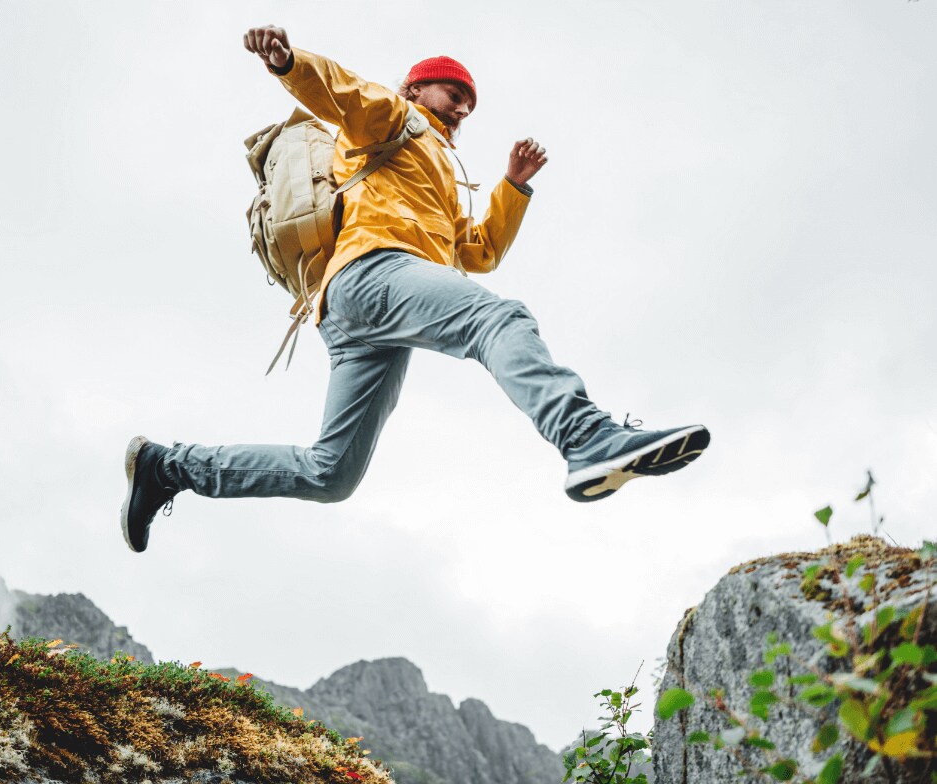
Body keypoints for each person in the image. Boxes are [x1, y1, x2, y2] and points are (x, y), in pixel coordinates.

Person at [121, 25, 711, 553]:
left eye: (468, 105)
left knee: (332, 475)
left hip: (354, 312)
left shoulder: (442, 179)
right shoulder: (393, 117)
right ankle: (587, 438)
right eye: (454, 95)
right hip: (371, 270)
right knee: (500, 321)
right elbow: (340, 89)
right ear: (415, 89)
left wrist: (512, 188)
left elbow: (475, 253)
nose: (460, 110)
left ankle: (167, 468)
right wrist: (287, 61)